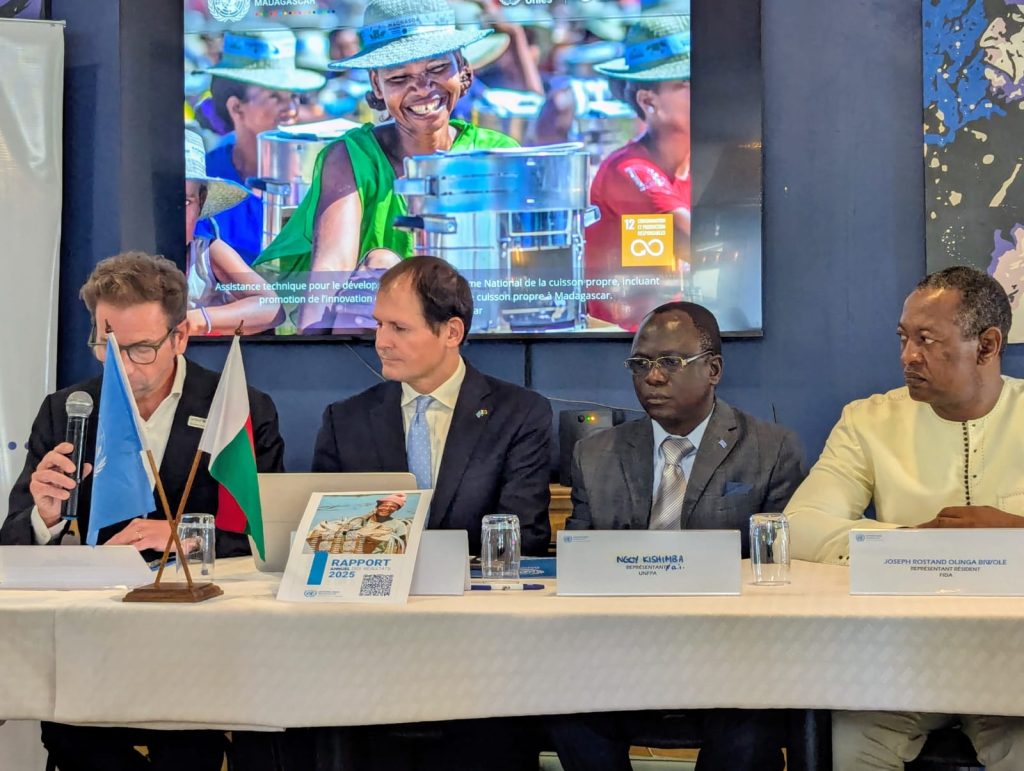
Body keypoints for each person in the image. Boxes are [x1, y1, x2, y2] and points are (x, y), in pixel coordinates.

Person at [1, 251, 286, 771]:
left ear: (181, 336)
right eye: (107, 346)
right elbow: (14, 542)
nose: (124, 366)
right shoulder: (67, 409)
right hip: (92, 650)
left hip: (201, 650)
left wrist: (182, 535)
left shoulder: (236, 406)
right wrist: (45, 516)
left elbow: (266, 537)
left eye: (141, 349)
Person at [785, 266, 1024, 770]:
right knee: (846, 750)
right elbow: (801, 526)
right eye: (903, 338)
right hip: (900, 658)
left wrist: (1013, 533)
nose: (907, 356)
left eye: (926, 340)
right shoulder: (870, 420)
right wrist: (916, 543)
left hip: (1015, 658)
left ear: (986, 346)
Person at [552, 301, 804, 771]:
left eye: (670, 362)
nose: (653, 377)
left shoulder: (771, 449)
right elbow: (578, 566)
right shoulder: (594, 454)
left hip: (730, 650)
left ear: (713, 370)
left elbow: (779, 576)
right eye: (640, 364)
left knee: (751, 728)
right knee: (564, 708)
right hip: (618, 648)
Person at [253, 0, 519, 332]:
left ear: (462, 67)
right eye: (399, 77)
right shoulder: (351, 158)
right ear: (377, 85)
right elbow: (331, 269)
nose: (422, 88)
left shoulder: (499, 154)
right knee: (380, 268)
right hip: (374, 343)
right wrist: (315, 352)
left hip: (476, 334)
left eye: (437, 68)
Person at [313, 255, 551, 556]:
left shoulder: (519, 414)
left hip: (475, 583)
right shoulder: (345, 421)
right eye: (379, 324)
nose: (382, 342)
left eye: (399, 328)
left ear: (452, 332)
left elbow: (523, 539)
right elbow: (328, 538)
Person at [585, 16, 693, 331]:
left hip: (675, 336)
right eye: (686, 83)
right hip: (631, 346)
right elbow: (702, 246)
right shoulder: (628, 170)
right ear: (647, 101)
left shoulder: (697, 162)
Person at [194, 27, 326, 265]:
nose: (292, 109)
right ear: (236, 108)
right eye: (274, 97)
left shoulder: (321, 173)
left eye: (294, 97)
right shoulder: (206, 178)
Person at [184, 128, 282, 335]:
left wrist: (198, 319)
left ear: (201, 203)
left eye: (186, 202)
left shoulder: (207, 253)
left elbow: (270, 306)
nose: (174, 212)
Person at [306, 493, 410, 554]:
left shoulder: (398, 525)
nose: (387, 508)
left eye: (393, 507)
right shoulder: (358, 520)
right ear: (377, 506)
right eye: (384, 505)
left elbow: (402, 546)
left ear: (396, 510)